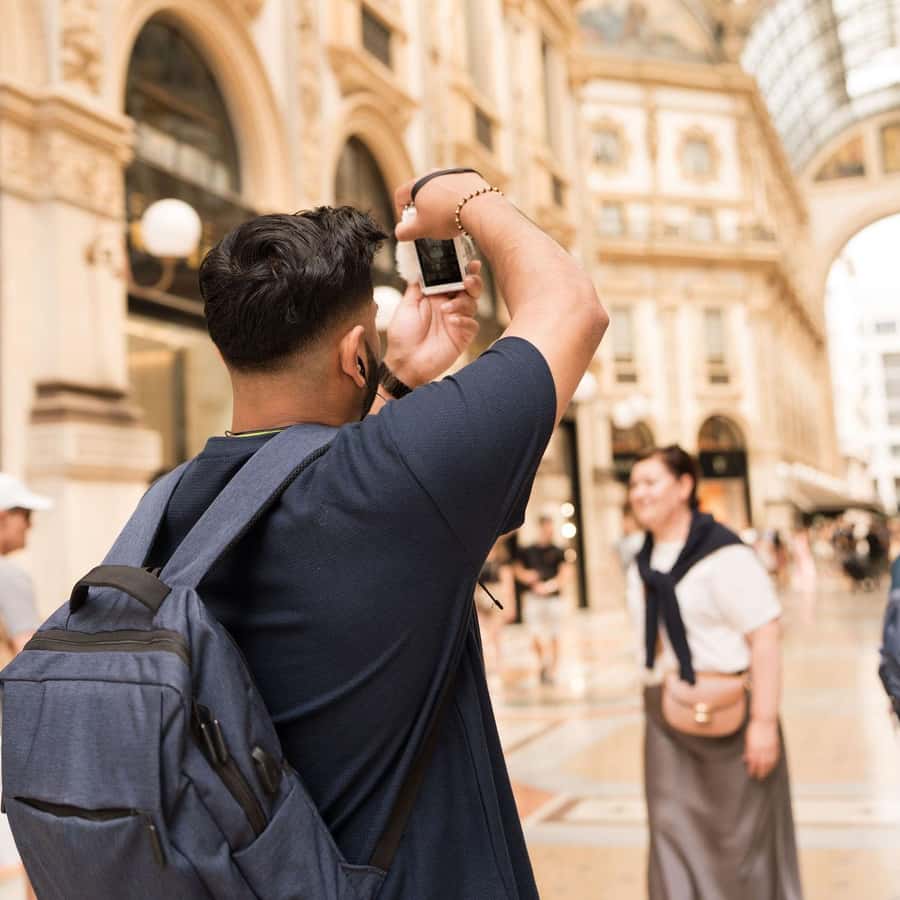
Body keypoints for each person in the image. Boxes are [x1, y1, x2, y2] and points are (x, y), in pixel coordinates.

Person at [145, 171, 607, 898]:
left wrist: (389, 386)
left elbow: (316, 488)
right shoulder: (393, 483)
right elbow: (572, 308)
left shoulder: (168, 506)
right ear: (354, 351)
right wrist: (465, 195)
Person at [626, 446, 802, 900]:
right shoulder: (641, 561)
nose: (638, 493)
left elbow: (765, 635)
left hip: (736, 719)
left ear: (685, 487)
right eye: (634, 484)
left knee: (742, 848)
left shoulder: (724, 554)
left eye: (650, 482)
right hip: (667, 719)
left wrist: (763, 723)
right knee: (670, 836)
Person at [0, 474, 51, 900]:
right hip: (8, 723)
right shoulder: (8, 576)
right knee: (37, 836)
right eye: (25, 515)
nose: (29, 527)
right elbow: (28, 655)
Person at [515, 515, 569, 685]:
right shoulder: (528, 551)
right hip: (534, 597)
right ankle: (543, 663)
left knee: (555, 633)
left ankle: (553, 669)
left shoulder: (559, 551)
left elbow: (565, 574)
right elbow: (518, 570)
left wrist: (551, 586)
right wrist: (528, 577)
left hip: (553, 598)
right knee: (534, 633)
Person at [476, 539, 514, 674]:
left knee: (496, 633)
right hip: (480, 598)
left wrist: (510, 605)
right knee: (483, 634)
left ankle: (498, 663)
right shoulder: (479, 555)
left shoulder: (502, 559)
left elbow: (508, 582)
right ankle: (486, 663)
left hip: (497, 597)